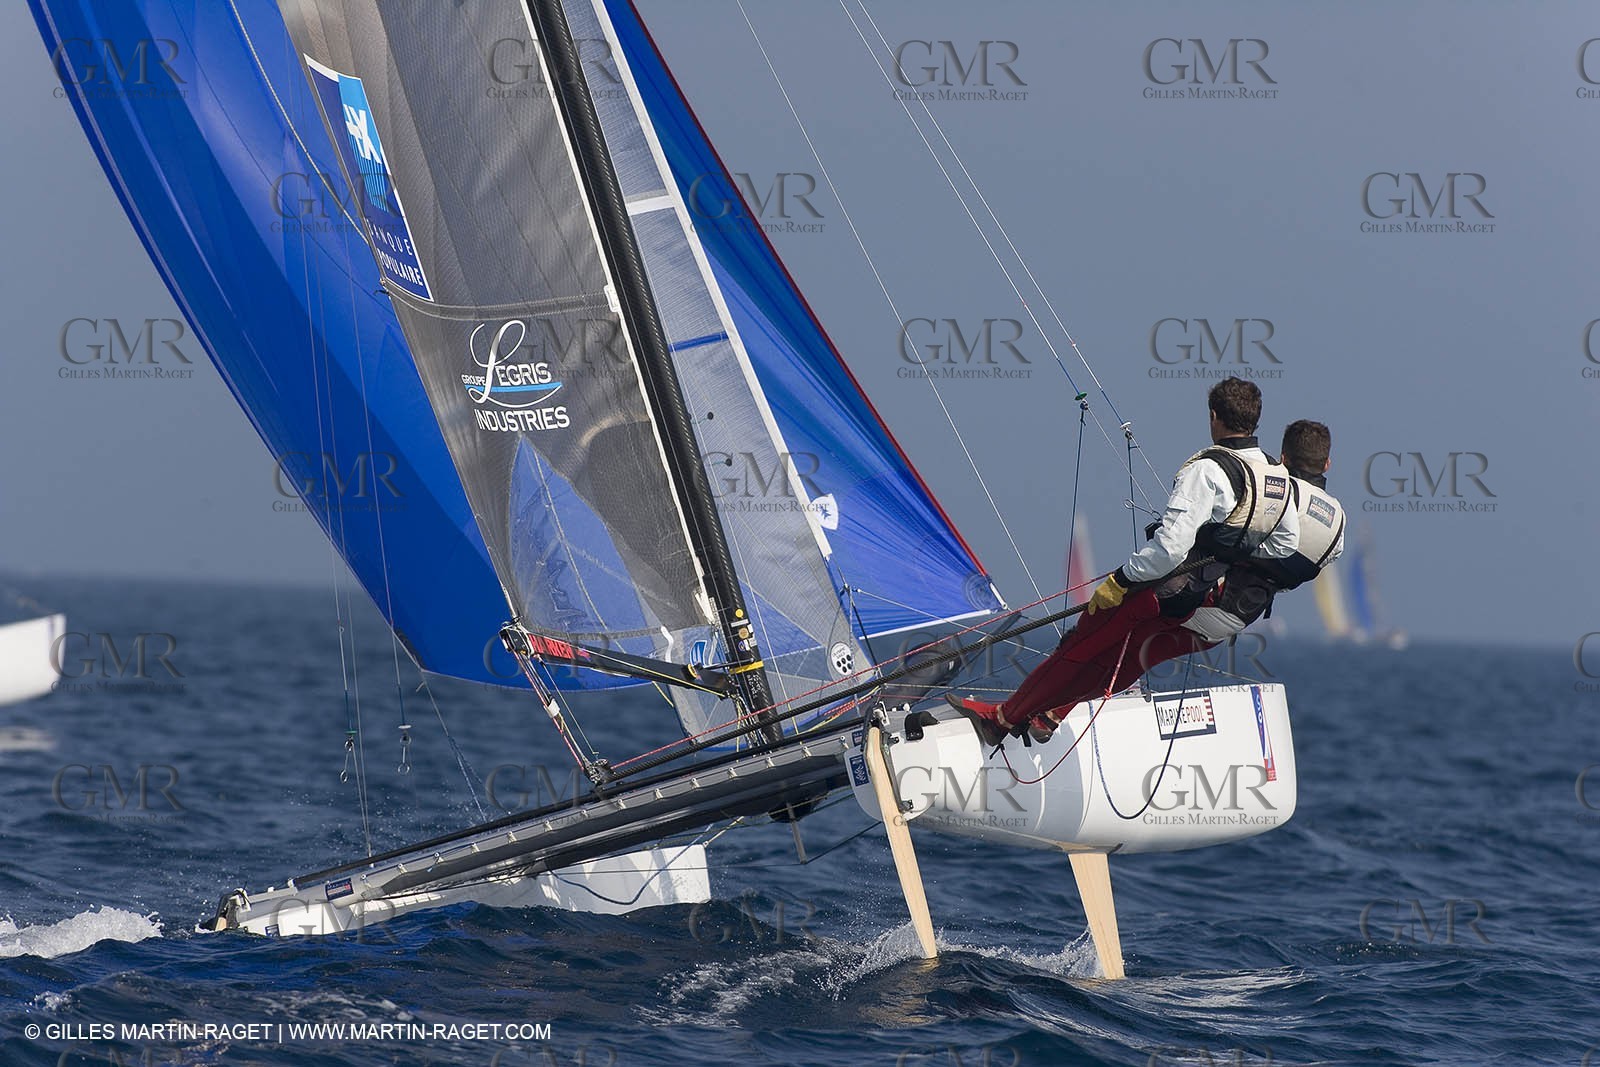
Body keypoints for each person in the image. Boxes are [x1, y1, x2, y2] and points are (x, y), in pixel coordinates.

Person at [948, 377, 1298, 747]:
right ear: (1255, 420)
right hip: (1197, 597)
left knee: (1078, 649)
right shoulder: (1278, 476)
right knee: (1115, 660)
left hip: (1158, 589)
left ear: (1214, 417)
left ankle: (1000, 720)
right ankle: (1045, 716)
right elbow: (1286, 542)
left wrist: (1122, 579)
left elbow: (1171, 547)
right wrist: (1231, 558)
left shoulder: (1209, 470)